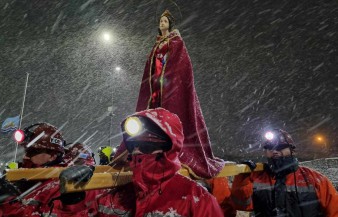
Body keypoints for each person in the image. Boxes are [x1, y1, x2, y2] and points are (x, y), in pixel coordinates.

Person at [115, 9, 224, 179]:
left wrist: (169, 76)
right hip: (155, 86)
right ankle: (147, 145)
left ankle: (169, 147)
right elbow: (150, 66)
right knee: (151, 115)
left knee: (169, 114)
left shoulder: (176, 42)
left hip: (168, 84)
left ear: (170, 24)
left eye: (165, 21)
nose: (162, 23)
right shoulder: (156, 44)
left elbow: (181, 65)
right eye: (160, 21)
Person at [61, 108, 224, 216]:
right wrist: (73, 200)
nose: (137, 151)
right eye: (133, 146)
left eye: (146, 146)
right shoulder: (113, 194)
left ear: (168, 149)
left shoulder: (196, 199)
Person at [231, 129, 338, 216]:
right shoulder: (255, 177)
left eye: (280, 147)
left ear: (292, 150)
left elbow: (334, 212)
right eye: (270, 148)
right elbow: (241, 206)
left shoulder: (315, 179)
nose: (275, 151)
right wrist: (242, 178)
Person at [0, 123, 68, 217]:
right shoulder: (28, 178)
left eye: (33, 151)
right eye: (27, 151)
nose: (26, 156)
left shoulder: (62, 185)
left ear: (52, 156)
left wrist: (9, 203)